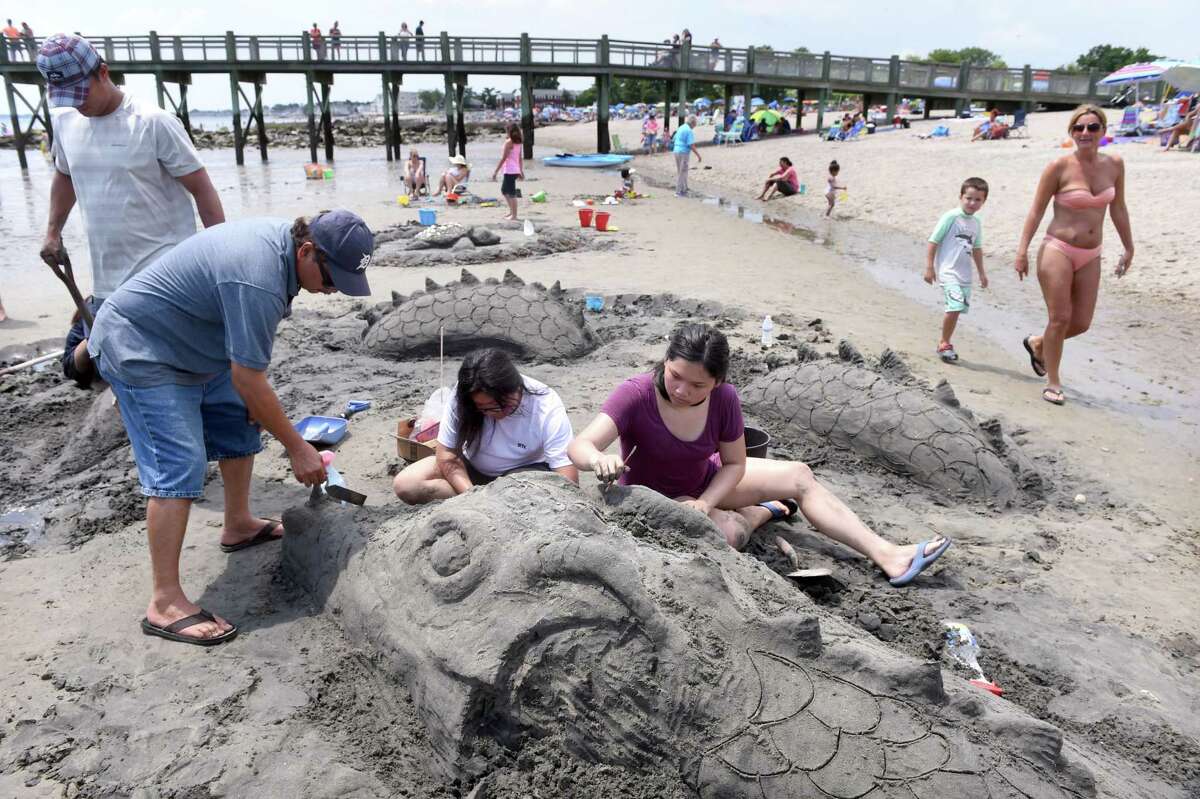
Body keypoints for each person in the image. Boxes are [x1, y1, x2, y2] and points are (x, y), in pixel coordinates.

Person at [87, 210, 374, 646]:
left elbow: (246, 381)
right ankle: (164, 602)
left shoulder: (283, 255)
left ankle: (237, 524)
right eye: (334, 278)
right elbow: (249, 378)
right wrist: (298, 448)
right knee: (179, 463)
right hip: (141, 346)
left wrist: (265, 414)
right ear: (307, 251)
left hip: (199, 343)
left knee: (239, 420)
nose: (334, 290)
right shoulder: (257, 276)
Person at [568, 324, 951, 584]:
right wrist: (597, 460)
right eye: (674, 375)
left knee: (800, 474)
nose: (682, 390)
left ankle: (887, 555)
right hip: (659, 499)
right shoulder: (636, 394)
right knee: (729, 532)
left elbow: (734, 463)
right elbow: (579, 446)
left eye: (697, 384)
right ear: (666, 362)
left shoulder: (725, 399)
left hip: (707, 482)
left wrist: (707, 500)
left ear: (717, 382)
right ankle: (760, 513)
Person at [36, 34, 224, 390]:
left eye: (82, 94)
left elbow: (202, 189)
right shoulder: (65, 122)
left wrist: (221, 254)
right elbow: (64, 175)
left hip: (168, 278)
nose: (77, 106)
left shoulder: (152, 121)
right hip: (108, 282)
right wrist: (52, 231)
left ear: (103, 72)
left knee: (182, 373)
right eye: (67, 98)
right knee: (120, 375)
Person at [1016, 105, 1134, 406]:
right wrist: (1022, 250)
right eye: (1079, 128)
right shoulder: (1058, 166)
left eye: (1092, 127)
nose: (1085, 133)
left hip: (1091, 253)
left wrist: (1128, 246)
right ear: (1071, 132)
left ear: (1103, 132)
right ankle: (1053, 381)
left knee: (1081, 322)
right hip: (1058, 248)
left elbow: (1118, 208)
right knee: (1060, 318)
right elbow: (1036, 210)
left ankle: (1039, 344)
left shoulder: (1115, 164)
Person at [393, 349, 579, 504]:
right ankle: (487, 504)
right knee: (407, 484)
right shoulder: (463, 397)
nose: (496, 413)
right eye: (485, 409)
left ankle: (502, 505)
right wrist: (473, 497)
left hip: (523, 475)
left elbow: (565, 473)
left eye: (504, 405)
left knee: (522, 496)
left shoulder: (545, 404)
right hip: (472, 471)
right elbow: (447, 456)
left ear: (517, 388)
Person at [924, 178, 990, 362]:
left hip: (965, 274)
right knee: (954, 306)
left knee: (958, 309)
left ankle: (946, 341)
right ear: (960, 197)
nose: (972, 203)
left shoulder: (976, 222)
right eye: (968, 198)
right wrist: (929, 267)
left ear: (983, 202)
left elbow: (976, 248)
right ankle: (944, 343)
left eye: (977, 200)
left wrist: (982, 273)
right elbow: (933, 241)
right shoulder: (951, 217)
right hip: (948, 271)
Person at [493, 125, 524, 221]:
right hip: (514, 170)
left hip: (510, 170)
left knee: (511, 193)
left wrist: (496, 171)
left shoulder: (509, 142)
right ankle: (512, 212)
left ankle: (514, 216)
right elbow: (520, 158)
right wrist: (520, 171)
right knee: (504, 190)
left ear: (508, 131)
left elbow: (504, 158)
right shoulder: (518, 142)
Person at [672, 114, 701, 197]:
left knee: (680, 171)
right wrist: (698, 155)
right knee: (683, 172)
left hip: (676, 150)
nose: (695, 126)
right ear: (693, 123)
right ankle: (678, 191)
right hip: (683, 152)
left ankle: (684, 189)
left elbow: (674, 138)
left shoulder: (681, 127)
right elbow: (691, 145)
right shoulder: (689, 130)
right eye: (695, 124)